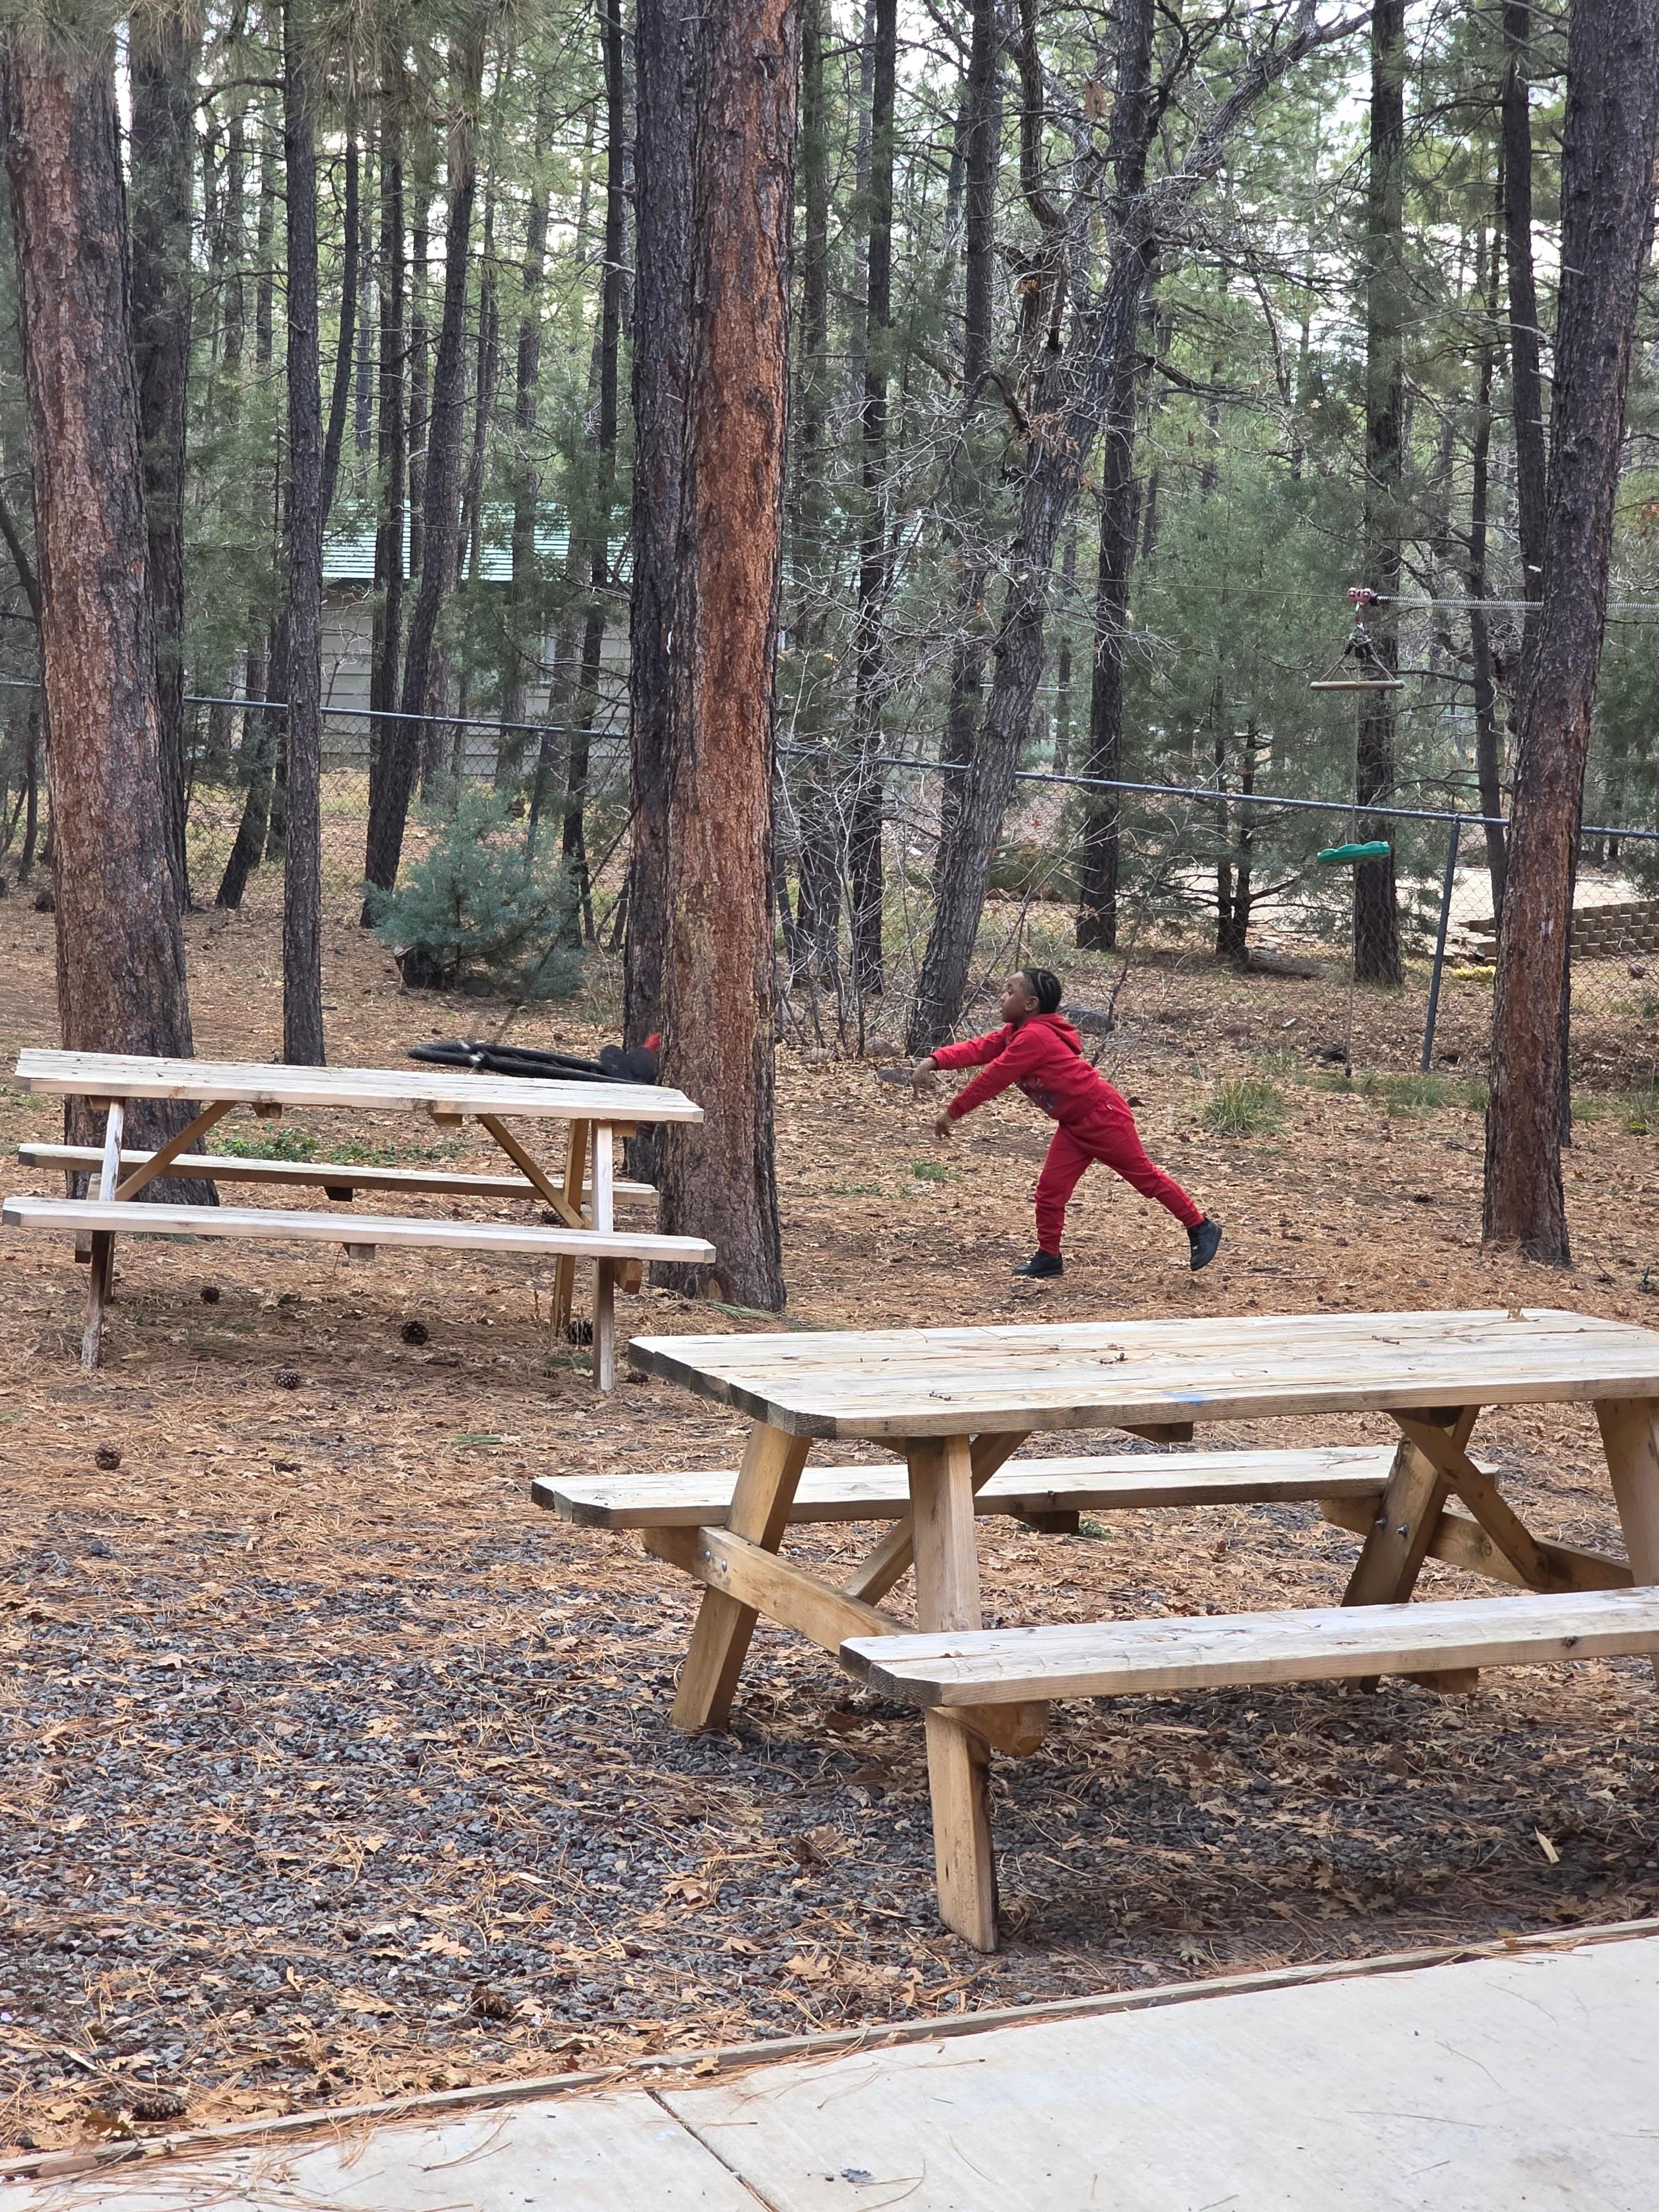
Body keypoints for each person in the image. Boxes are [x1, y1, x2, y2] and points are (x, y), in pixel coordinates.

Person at [914, 967, 1222, 1279]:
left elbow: (995, 1077)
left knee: (1145, 1178)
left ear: (1031, 1004)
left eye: (1010, 991)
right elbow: (980, 1048)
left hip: (1103, 1116)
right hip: (1073, 1124)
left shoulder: (1035, 1037)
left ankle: (1201, 1227)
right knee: (1050, 1191)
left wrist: (952, 1112)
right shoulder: (1016, 1032)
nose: (1002, 996)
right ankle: (1049, 1257)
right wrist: (936, 1060)